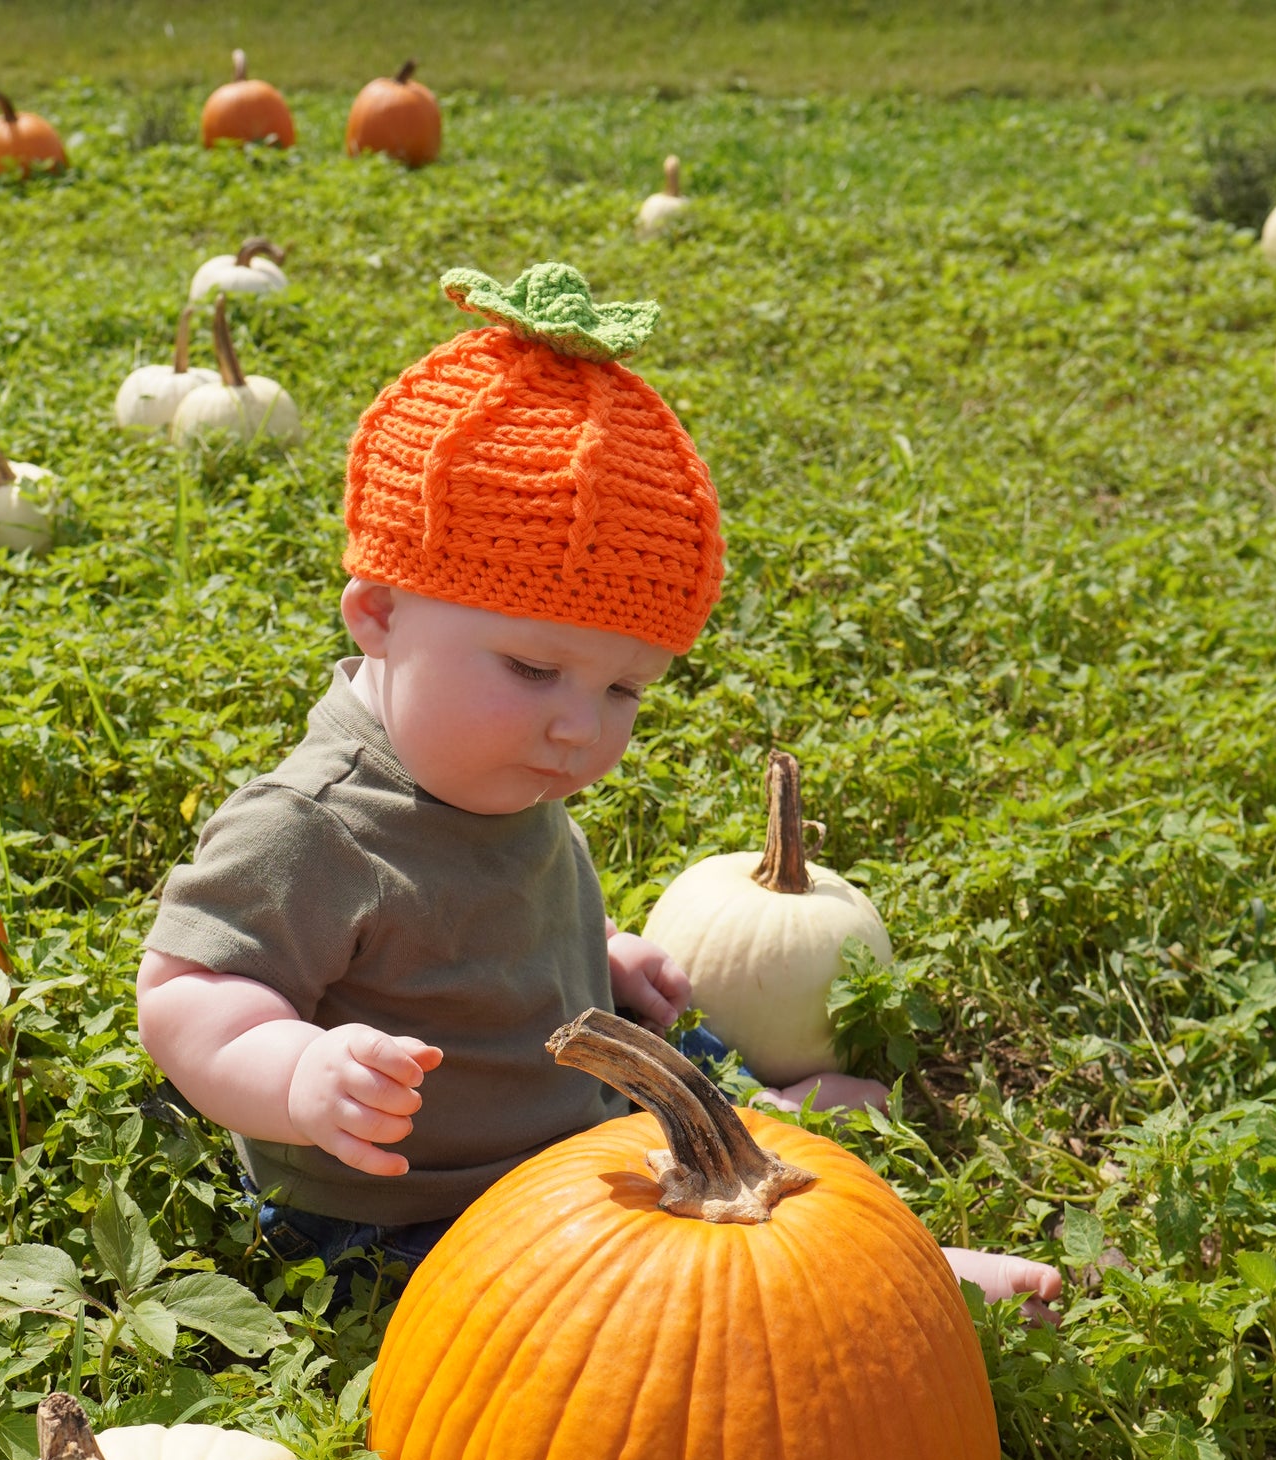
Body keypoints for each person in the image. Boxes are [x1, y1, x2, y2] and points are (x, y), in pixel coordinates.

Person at [138, 263, 1059, 1322]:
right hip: (410, 1213)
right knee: (657, 1304)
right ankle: (902, 1282)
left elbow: (489, 916)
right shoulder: (310, 825)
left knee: (675, 1058)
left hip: (567, 1102)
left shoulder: (486, 757)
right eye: (532, 669)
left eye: (622, 686)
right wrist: (295, 1072)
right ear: (378, 612)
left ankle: (748, 1110)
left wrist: (593, 950)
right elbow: (184, 994)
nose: (579, 723)